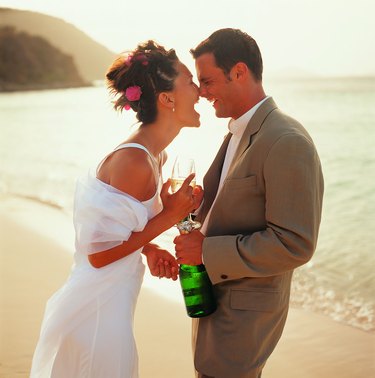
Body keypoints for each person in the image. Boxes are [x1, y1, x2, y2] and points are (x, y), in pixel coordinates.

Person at [30, 40, 203, 378]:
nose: (199, 91)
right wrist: (169, 216)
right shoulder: (133, 161)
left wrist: (149, 248)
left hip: (112, 306)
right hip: (95, 314)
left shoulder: (155, 156)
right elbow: (98, 254)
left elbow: (120, 232)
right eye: (190, 82)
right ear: (167, 99)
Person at [174, 28, 324, 378]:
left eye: (207, 81)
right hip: (219, 307)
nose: (202, 92)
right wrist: (189, 210)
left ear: (239, 72)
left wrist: (205, 252)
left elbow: (295, 243)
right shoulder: (237, 132)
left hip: (244, 317)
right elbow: (228, 214)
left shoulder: (285, 140)